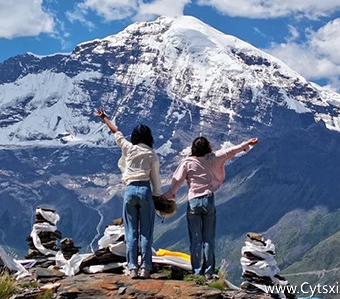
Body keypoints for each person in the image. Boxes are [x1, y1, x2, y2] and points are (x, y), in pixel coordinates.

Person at [162, 135, 259, 279]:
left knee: (196, 239)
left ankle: (196, 272)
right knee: (209, 238)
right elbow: (230, 151)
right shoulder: (214, 158)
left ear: (193, 149)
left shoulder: (187, 163)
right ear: (208, 147)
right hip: (208, 199)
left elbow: (176, 183)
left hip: (193, 201)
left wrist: (167, 196)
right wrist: (247, 144)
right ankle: (209, 272)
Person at [95, 108, 162, 279]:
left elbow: (117, 133)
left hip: (130, 190)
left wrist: (104, 118)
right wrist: (157, 196)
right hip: (145, 190)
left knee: (131, 231)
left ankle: (132, 268)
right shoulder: (151, 154)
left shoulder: (129, 148)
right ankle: (146, 267)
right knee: (146, 232)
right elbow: (155, 178)